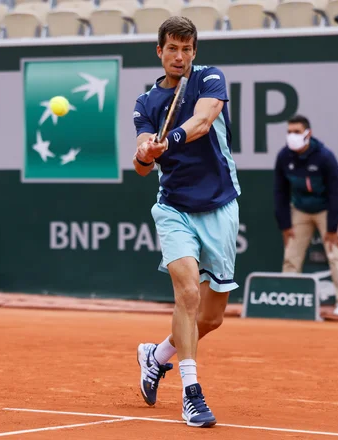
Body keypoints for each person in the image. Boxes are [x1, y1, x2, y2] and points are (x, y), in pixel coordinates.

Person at [132, 16, 240, 428]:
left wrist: (170, 139)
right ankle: (192, 394)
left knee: (210, 318)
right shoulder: (145, 104)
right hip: (174, 208)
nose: (180, 56)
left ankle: (157, 355)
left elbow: (203, 121)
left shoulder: (210, 78)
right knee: (188, 294)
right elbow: (142, 163)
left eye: (187, 49)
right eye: (172, 49)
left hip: (219, 205)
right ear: (159, 52)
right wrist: (146, 153)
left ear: (194, 52)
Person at [274, 115, 338, 317]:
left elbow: (336, 192)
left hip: (326, 210)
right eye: (289, 131)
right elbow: (280, 192)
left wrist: (333, 228)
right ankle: (287, 300)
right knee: (291, 256)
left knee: (336, 255)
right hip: (300, 210)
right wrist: (285, 225)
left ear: (308, 133)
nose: (292, 135)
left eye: (297, 132)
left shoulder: (325, 157)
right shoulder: (284, 156)